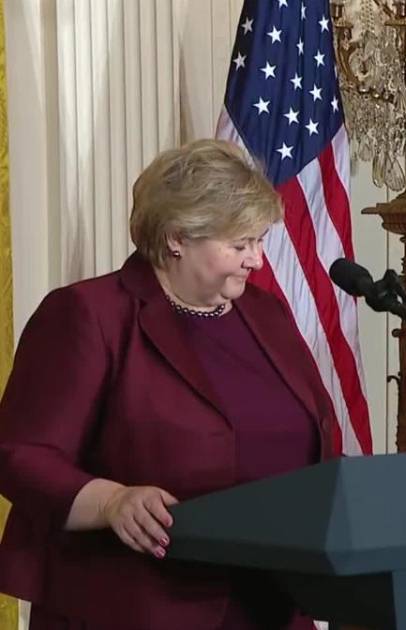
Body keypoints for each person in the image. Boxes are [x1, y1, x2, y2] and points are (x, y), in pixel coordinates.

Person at [0, 139, 338, 629]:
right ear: (177, 237)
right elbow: (22, 454)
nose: (257, 261)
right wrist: (112, 501)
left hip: (274, 604)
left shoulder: (266, 314)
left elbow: (313, 445)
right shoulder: (90, 314)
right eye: (240, 245)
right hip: (134, 608)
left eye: (260, 241)